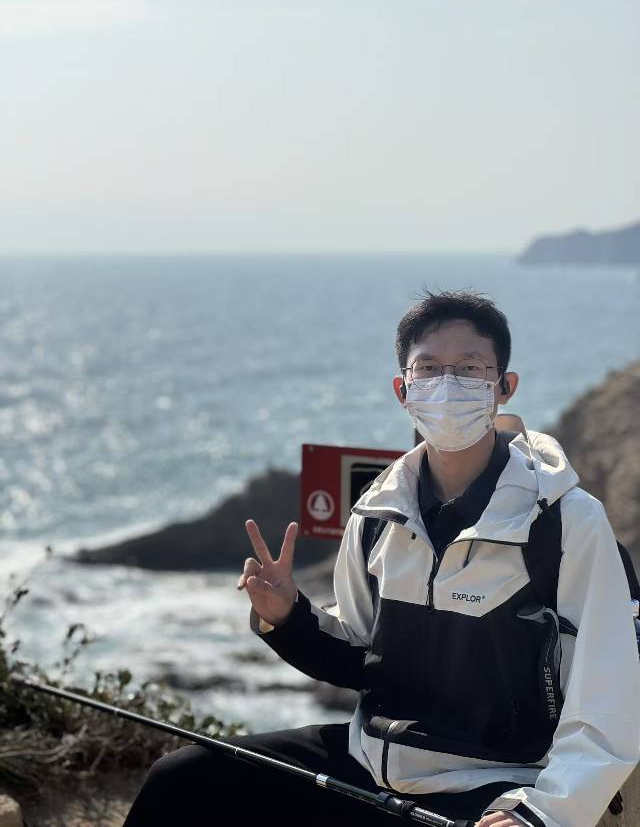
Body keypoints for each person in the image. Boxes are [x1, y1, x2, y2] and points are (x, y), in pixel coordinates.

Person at [123, 289, 640, 827]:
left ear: (504, 387)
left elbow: (609, 695)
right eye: (429, 369)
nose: (448, 384)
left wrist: (543, 813)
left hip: (496, 784)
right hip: (370, 764)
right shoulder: (377, 511)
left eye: (470, 369)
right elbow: (363, 658)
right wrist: (287, 617)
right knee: (181, 780)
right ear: (403, 389)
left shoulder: (566, 520)